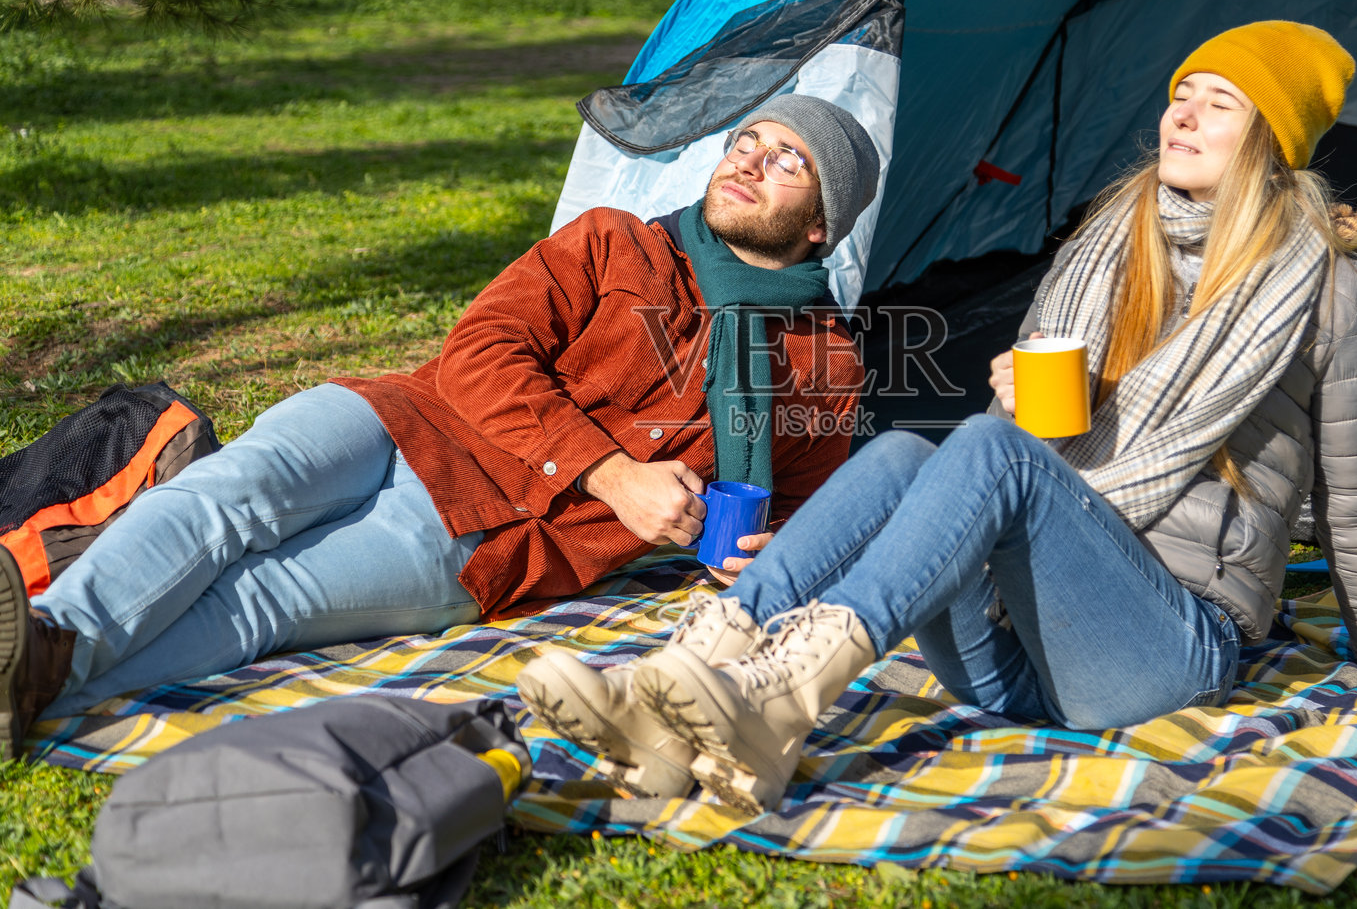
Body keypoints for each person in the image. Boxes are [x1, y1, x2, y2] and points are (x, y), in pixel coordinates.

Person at [519, 21, 1357, 816]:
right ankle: (695, 675)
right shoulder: (1106, 245)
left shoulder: (1325, 290)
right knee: (901, 455)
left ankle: (792, 694)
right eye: (1179, 95)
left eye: (1219, 104)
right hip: (1021, 646)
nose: (1181, 116)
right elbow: (1033, 458)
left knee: (986, 448)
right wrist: (1026, 402)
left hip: (1167, 646)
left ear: (1274, 138)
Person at [0, 94, 880, 763]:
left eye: (787, 162)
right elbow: (479, 352)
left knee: (261, 600)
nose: (749, 163)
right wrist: (612, 473)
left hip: (490, 537)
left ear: (818, 224)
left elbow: (803, 523)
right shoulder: (617, 244)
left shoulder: (822, 362)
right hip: (401, 415)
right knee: (230, 492)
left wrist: (750, 554)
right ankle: (44, 647)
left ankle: (30, 673)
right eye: (746, 142)